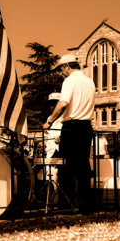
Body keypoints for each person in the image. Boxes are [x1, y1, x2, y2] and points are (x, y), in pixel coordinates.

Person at [43, 54, 95, 213]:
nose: (62, 72)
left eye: (62, 69)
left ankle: (66, 205)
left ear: (67, 66)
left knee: (66, 167)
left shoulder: (70, 81)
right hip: (86, 126)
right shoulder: (89, 81)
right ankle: (86, 205)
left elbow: (63, 103)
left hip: (72, 126)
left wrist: (50, 121)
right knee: (83, 167)